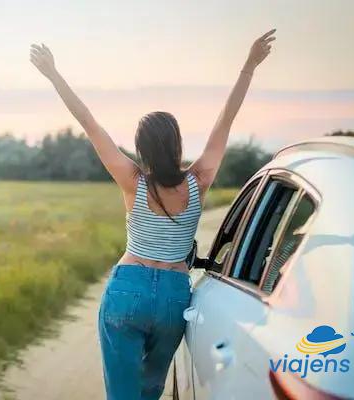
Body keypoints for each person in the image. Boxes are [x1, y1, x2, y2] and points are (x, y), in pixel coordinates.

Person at [30, 29, 276, 400]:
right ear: (177, 144)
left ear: (140, 148)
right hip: (174, 298)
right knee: (149, 392)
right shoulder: (199, 181)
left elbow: (89, 123)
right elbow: (225, 121)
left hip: (129, 288)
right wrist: (249, 65)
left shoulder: (132, 181)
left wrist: (53, 74)